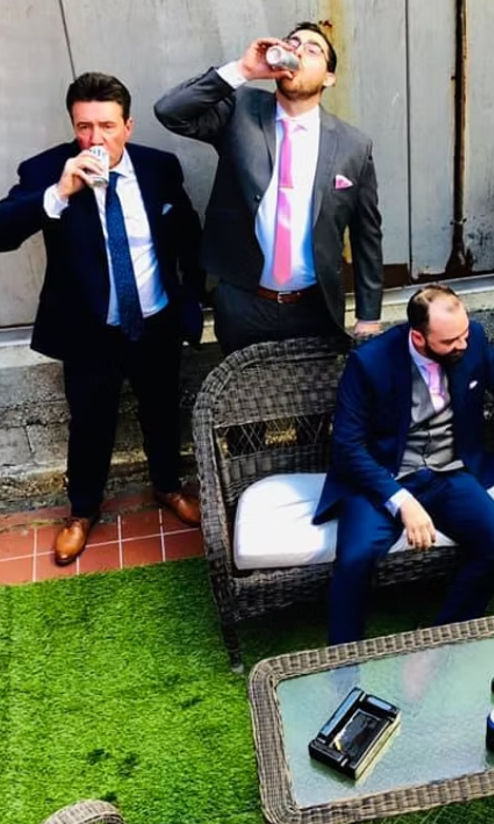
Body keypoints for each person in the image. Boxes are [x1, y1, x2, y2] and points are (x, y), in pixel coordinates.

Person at [0, 72, 204, 565]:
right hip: (90, 331)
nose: (95, 138)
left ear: (128, 125)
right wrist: (58, 192)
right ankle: (82, 511)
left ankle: (167, 487)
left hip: (154, 322)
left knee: (161, 411)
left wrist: (191, 300)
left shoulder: (159, 168)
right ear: (73, 125)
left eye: (107, 126)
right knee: (90, 423)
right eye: (84, 126)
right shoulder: (47, 169)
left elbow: (186, 236)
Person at [313, 284, 494, 644]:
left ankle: (440, 640)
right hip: (384, 478)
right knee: (354, 558)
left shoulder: (471, 339)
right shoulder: (370, 363)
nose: (462, 345)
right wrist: (402, 502)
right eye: (449, 341)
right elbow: (348, 447)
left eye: (464, 333)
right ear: (418, 337)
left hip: (449, 471)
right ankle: (343, 661)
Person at [154, 21, 383, 353]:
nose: (298, 51)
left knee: (312, 397)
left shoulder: (353, 145)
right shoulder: (240, 109)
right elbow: (170, 111)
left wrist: (369, 315)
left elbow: (367, 236)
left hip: (315, 305)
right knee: (246, 395)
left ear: (329, 77)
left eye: (313, 49)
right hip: (244, 303)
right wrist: (243, 70)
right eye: (292, 44)